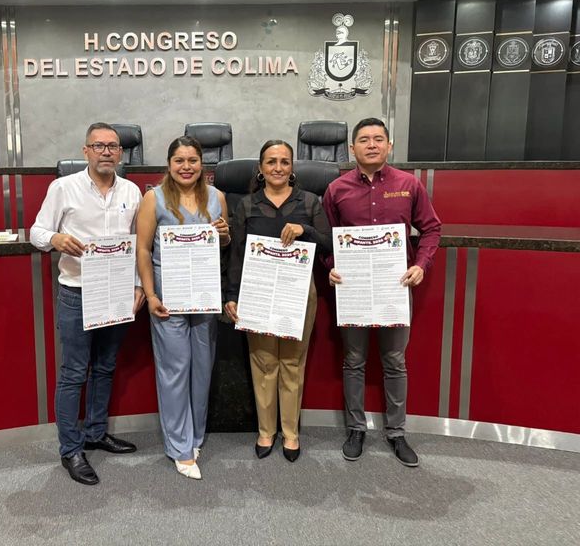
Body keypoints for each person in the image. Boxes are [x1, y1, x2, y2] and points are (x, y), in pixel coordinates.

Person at [30, 122, 145, 486]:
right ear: (86, 151)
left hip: (117, 291)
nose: (107, 151)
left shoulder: (132, 191)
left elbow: (139, 242)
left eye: (113, 146)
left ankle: (96, 432)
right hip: (78, 292)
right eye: (99, 145)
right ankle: (71, 449)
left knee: (106, 367)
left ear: (121, 153)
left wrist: (140, 284)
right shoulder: (63, 187)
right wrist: (57, 238)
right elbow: (36, 232)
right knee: (74, 373)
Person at [323, 117, 441, 467]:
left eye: (378, 139)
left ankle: (396, 432)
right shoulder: (336, 189)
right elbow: (327, 236)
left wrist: (421, 264)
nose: (371, 144)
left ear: (389, 146)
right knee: (354, 361)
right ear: (352, 148)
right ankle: (356, 429)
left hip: (394, 287)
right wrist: (330, 264)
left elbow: (432, 229)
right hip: (354, 289)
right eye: (364, 139)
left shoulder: (409, 185)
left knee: (394, 361)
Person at [224, 140, 332, 462]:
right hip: (256, 293)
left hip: (299, 293)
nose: (278, 168)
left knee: (292, 363)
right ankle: (265, 432)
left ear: (292, 168)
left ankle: (291, 433)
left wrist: (305, 229)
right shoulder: (246, 205)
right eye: (271, 162)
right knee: (263, 363)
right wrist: (231, 295)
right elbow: (236, 255)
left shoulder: (310, 202)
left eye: (285, 162)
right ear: (260, 168)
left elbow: (328, 244)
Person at [136, 136, 230, 480]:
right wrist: (150, 294)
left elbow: (223, 245)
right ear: (169, 163)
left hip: (204, 298)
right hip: (168, 300)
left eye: (192, 160)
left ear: (202, 163)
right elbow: (143, 250)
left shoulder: (217, 198)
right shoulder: (154, 198)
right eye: (179, 160)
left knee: (202, 368)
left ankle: (195, 436)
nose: (186, 167)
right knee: (175, 371)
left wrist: (224, 235)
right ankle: (179, 447)